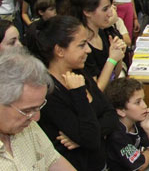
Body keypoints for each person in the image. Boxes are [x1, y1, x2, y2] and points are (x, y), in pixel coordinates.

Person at [27, 15, 117, 171]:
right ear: (60, 51)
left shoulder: (80, 72)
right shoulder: (48, 91)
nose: (88, 50)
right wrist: (78, 93)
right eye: (82, 45)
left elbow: (111, 115)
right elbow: (91, 140)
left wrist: (81, 138)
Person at [0, 48, 76, 170]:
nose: (36, 118)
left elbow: (54, 162)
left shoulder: (27, 127)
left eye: (39, 107)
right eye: (27, 111)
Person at [70, 0, 126, 91]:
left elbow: (114, 74)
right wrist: (112, 59)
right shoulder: (82, 46)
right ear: (87, 12)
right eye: (105, 9)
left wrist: (118, 56)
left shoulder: (103, 32)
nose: (110, 14)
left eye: (110, 7)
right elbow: (96, 90)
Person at [104, 78, 149, 171]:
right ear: (121, 111)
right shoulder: (116, 135)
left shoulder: (136, 122)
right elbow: (140, 165)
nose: (145, 106)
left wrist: (148, 129)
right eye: (138, 102)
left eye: (143, 100)